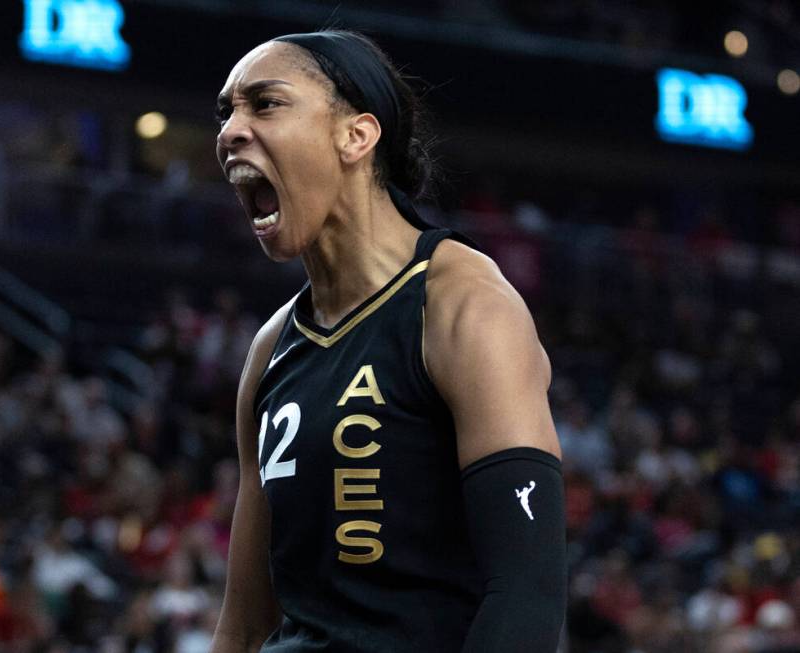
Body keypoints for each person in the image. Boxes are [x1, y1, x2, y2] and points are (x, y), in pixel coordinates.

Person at [210, 30, 566, 652]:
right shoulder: (271, 349)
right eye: (227, 112)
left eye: (264, 104)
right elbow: (243, 626)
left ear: (356, 135)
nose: (231, 131)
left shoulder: (463, 305)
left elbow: (526, 593)